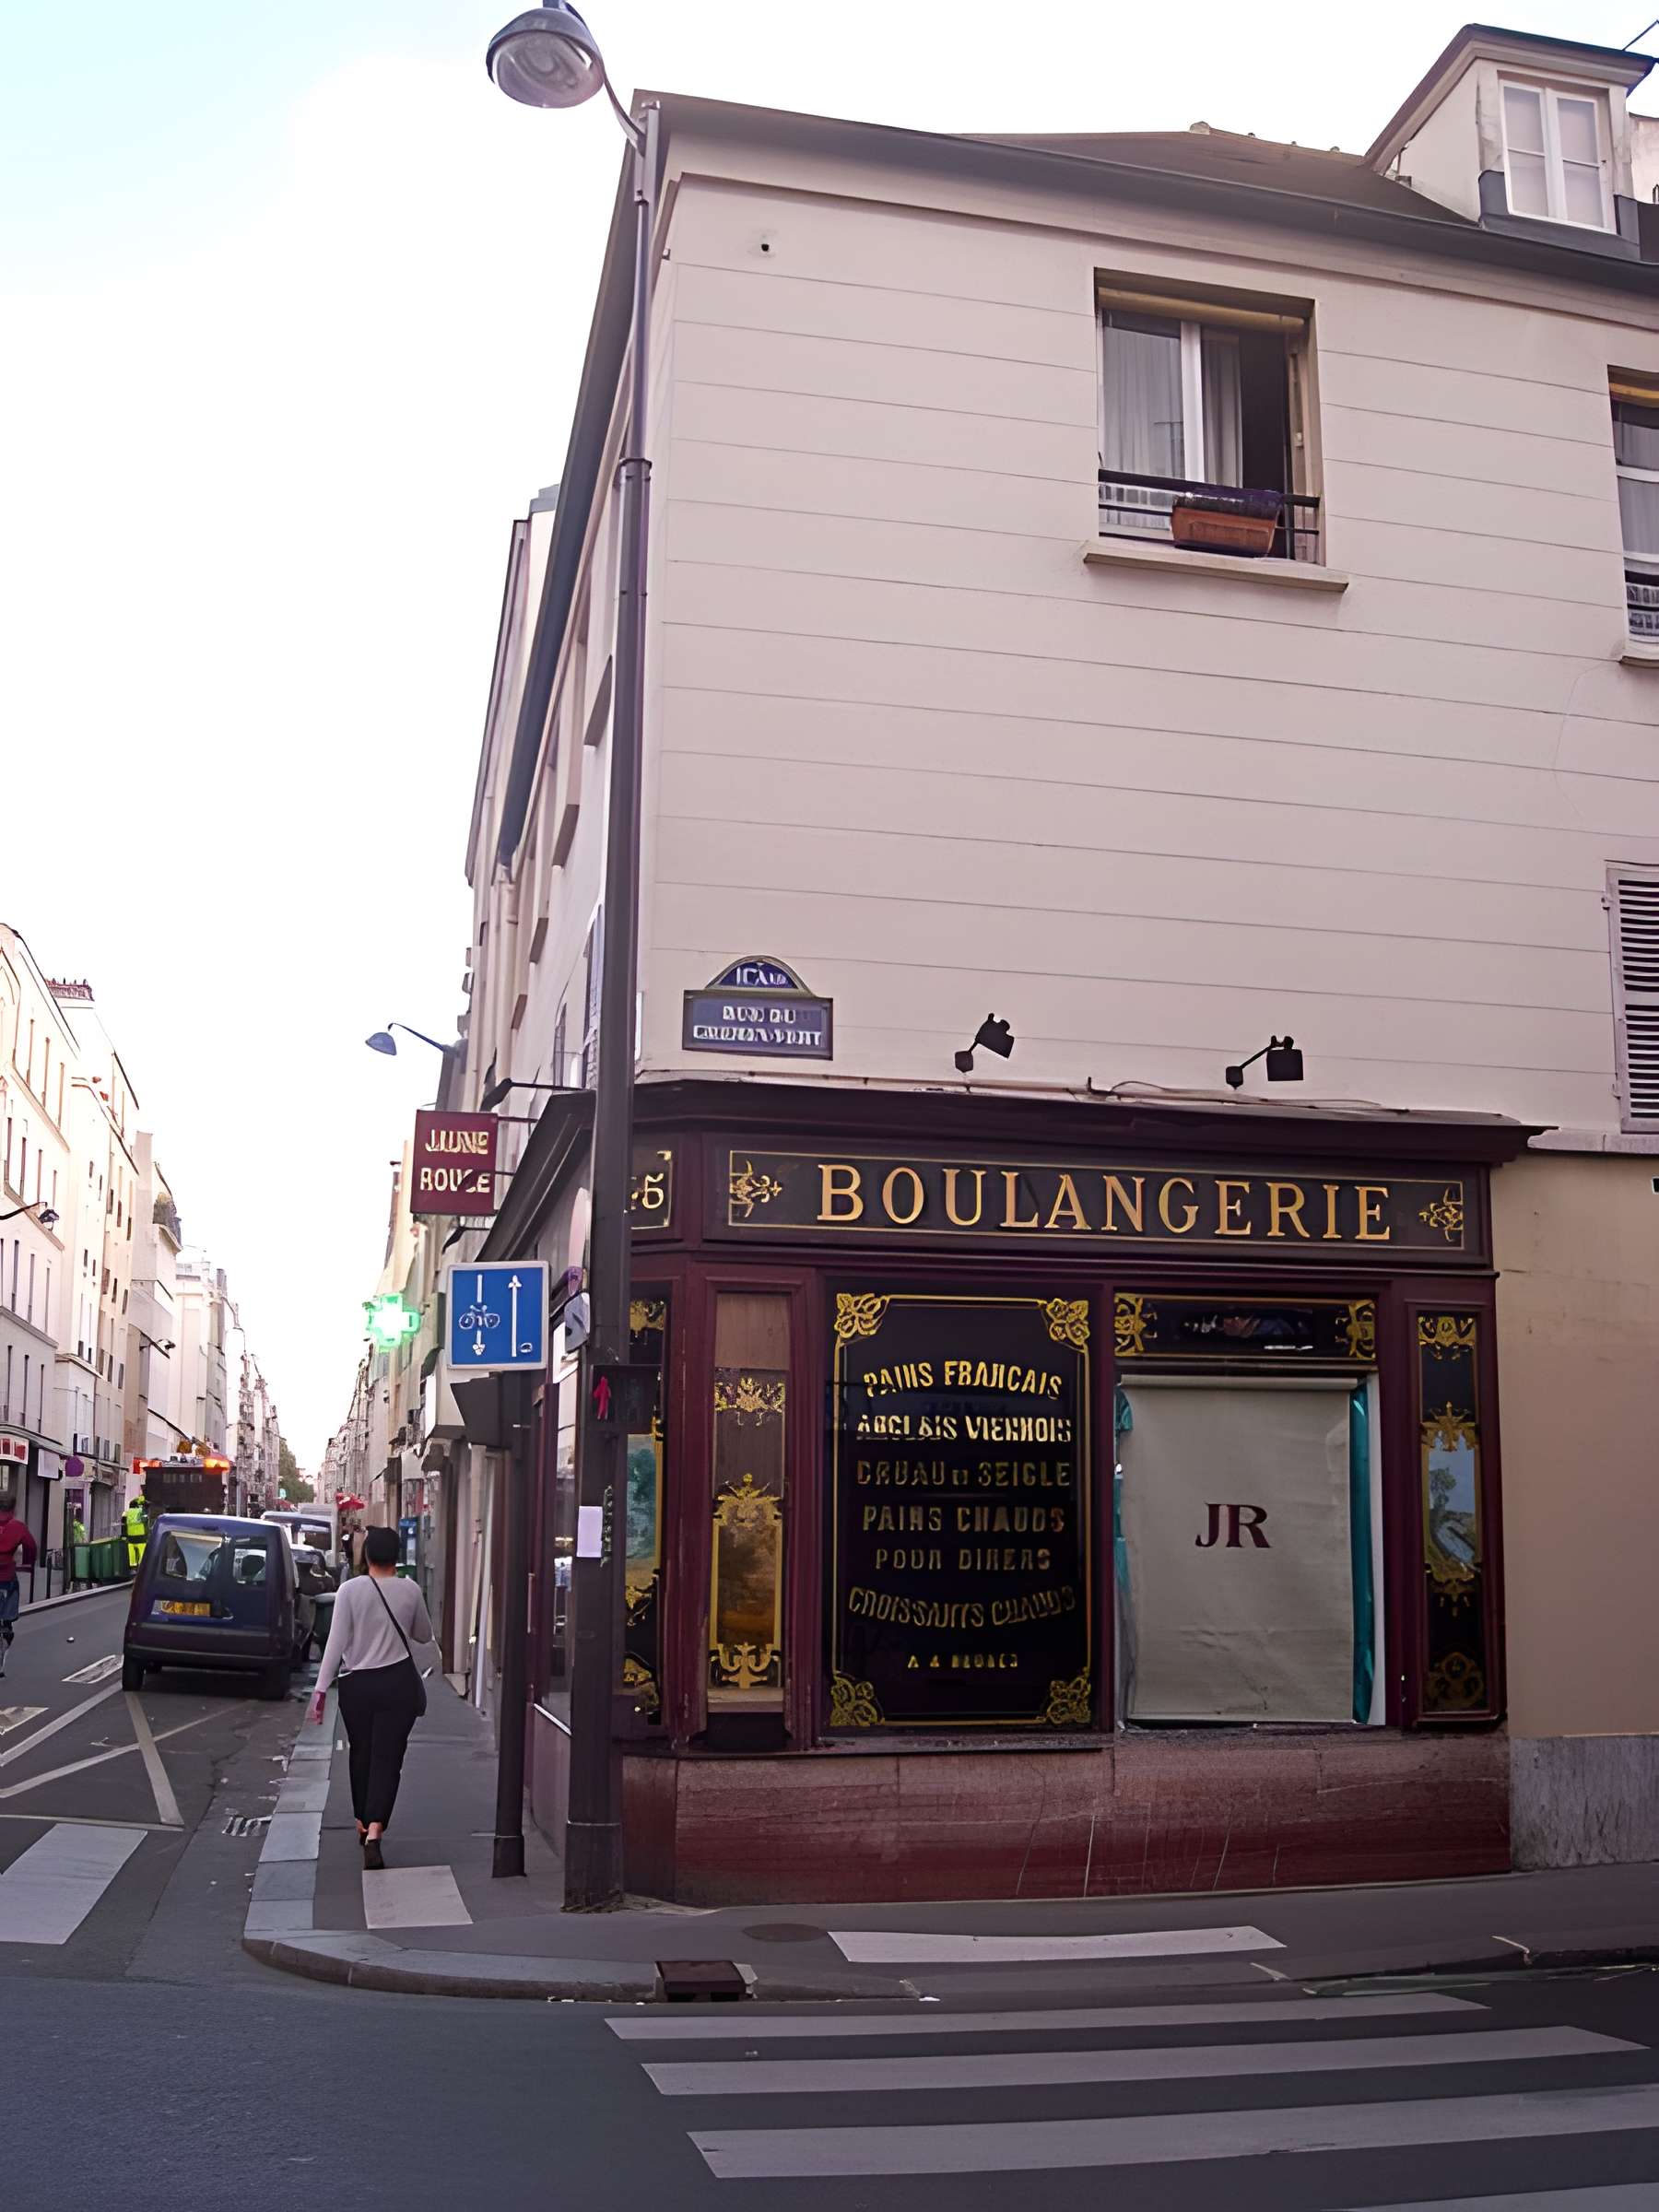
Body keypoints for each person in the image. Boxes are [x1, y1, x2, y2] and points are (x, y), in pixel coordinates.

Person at [310, 1525, 432, 1870]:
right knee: (388, 1758)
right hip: (396, 1684)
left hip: (356, 1685)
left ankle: (362, 1820)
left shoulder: (349, 1590)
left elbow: (334, 1643)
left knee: (361, 1753)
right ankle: (376, 1830)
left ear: (367, 1556)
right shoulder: (410, 1590)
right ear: (396, 1557)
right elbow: (424, 1635)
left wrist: (320, 1691)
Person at [0, 1494, 39, 1679]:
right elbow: (31, 1547)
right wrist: (28, 1564)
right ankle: (6, 1630)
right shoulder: (17, 1527)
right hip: (6, 1576)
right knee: (7, 1613)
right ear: (13, 1508)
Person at [122, 1490, 149, 1576]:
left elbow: (123, 1523)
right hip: (141, 1537)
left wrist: (124, 1535)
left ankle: (133, 1569)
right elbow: (145, 1522)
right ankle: (141, 1569)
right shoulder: (142, 1512)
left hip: (131, 1538)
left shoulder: (127, 1513)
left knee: (132, 1555)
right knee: (142, 1554)